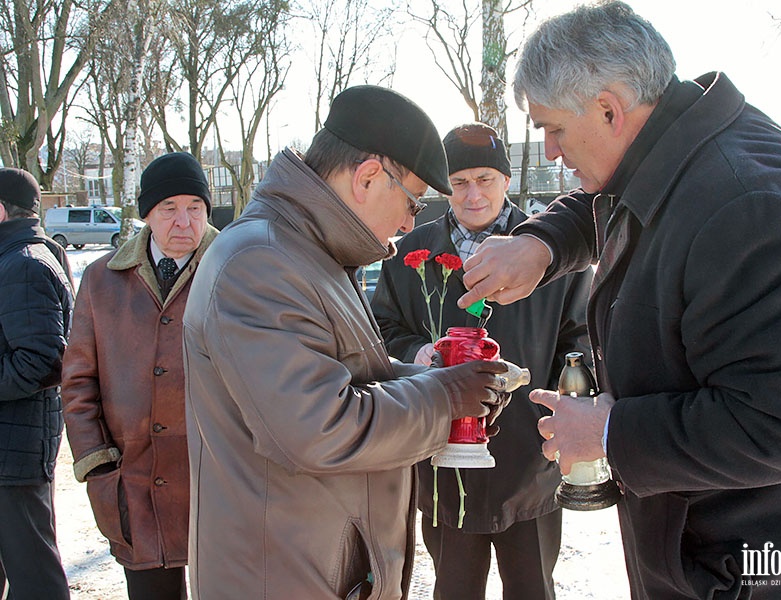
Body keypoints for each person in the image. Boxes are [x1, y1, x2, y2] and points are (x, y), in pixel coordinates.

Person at [457, 2, 781, 598]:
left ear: (609, 109)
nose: (549, 150)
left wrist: (609, 434)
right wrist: (543, 245)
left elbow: (776, 428)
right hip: (708, 550)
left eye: (553, 128)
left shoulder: (751, 208)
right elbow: (619, 196)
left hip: (764, 569)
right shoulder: (675, 144)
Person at [182, 85, 511, 600]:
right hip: (282, 579)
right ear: (368, 177)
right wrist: (445, 398)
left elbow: (357, 376)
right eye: (413, 201)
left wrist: (448, 383)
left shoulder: (308, 252)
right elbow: (319, 426)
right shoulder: (260, 262)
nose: (409, 224)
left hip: (316, 568)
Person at [371, 122, 592, 600]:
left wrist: (557, 411)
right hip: (443, 461)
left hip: (529, 460)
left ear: (507, 181)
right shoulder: (408, 252)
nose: (473, 194)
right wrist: (416, 353)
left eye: (486, 180)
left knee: (532, 588)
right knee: (454, 589)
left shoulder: (548, 250)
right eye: (460, 181)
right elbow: (382, 330)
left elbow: (580, 341)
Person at [61, 152, 217, 600]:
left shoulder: (237, 272)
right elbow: (77, 381)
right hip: (134, 486)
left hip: (217, 485)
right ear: (147, 213)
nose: (184, 221)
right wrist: (97, 462)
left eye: (195, 207)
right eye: (169, 208)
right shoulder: (101, 280)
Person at [0, 168, 72, 600]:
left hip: (15, 457)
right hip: (8, 451)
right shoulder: (14, 258)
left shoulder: (24, 265)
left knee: (35, 580)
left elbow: (44, 362)